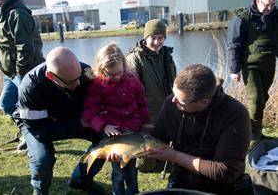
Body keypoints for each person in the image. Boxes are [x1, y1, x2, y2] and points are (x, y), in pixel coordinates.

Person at [143, 64, 252, 195]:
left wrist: (174, 156)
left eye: (181, 102)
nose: (173, 100)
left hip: (222, 187)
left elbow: (224, 172)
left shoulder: (235, 115)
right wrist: (124, 149)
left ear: (203, 102)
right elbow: (156, 139)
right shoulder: (171, 104)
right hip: (182, 180)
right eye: (174, 94)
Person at [15, 47, 105, 195]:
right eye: (71, 82)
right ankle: (40, 190)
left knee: (104, 141)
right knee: (42, 159)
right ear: (51, 76)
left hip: (71, 117)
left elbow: (97, 101)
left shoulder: (84, 73)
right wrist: (81, 123)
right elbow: (42, 133)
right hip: (39, 125)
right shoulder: (30, 88)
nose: (78, 84)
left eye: (78, 78)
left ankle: (80, 179)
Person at [83, 43, 149, 195]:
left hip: (133, 131)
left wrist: (145, 122)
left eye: (119, 73)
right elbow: (89, 113)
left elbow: (141, 102)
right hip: (114, 135)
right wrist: (104, 127)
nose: (116, 77)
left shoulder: (132, 78)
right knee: (118, 173)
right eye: (111, 75)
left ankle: (133, 192)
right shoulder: (97, 85)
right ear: (101, 69)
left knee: (131, 169)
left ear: (124, 66)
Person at [0, 0, 44, 149]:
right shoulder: (6, 13)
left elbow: (25, 48)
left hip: (23, 72)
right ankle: (26, 132)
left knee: (30, 110)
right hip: (11, 73)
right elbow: (5, 40)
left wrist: (22, 74)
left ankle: (36, 139)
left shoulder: (18, 14)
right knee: (6, 104)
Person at [126, 19, 177, 172]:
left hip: (166, 109)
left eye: (160, 38)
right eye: (152, 37)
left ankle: (162, 161)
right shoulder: (134, 59)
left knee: (164, 145)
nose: (156, 42)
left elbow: (174, 82)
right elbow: (129, 93)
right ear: (145, 37)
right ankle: (143, 164)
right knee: (145, 164)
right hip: (146, 113)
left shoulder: (167, 55)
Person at [227, 0, 277, 140]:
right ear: (257, 1)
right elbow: (234, 45)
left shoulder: (276, 17)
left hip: (269, 64)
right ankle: (252, 135)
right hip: (250, 66)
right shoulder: (242, 19)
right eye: (267, 4)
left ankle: (256, 130)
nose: (270, 8)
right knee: (255, 99)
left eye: (273, 5)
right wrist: (234, 69)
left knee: (263, 98)